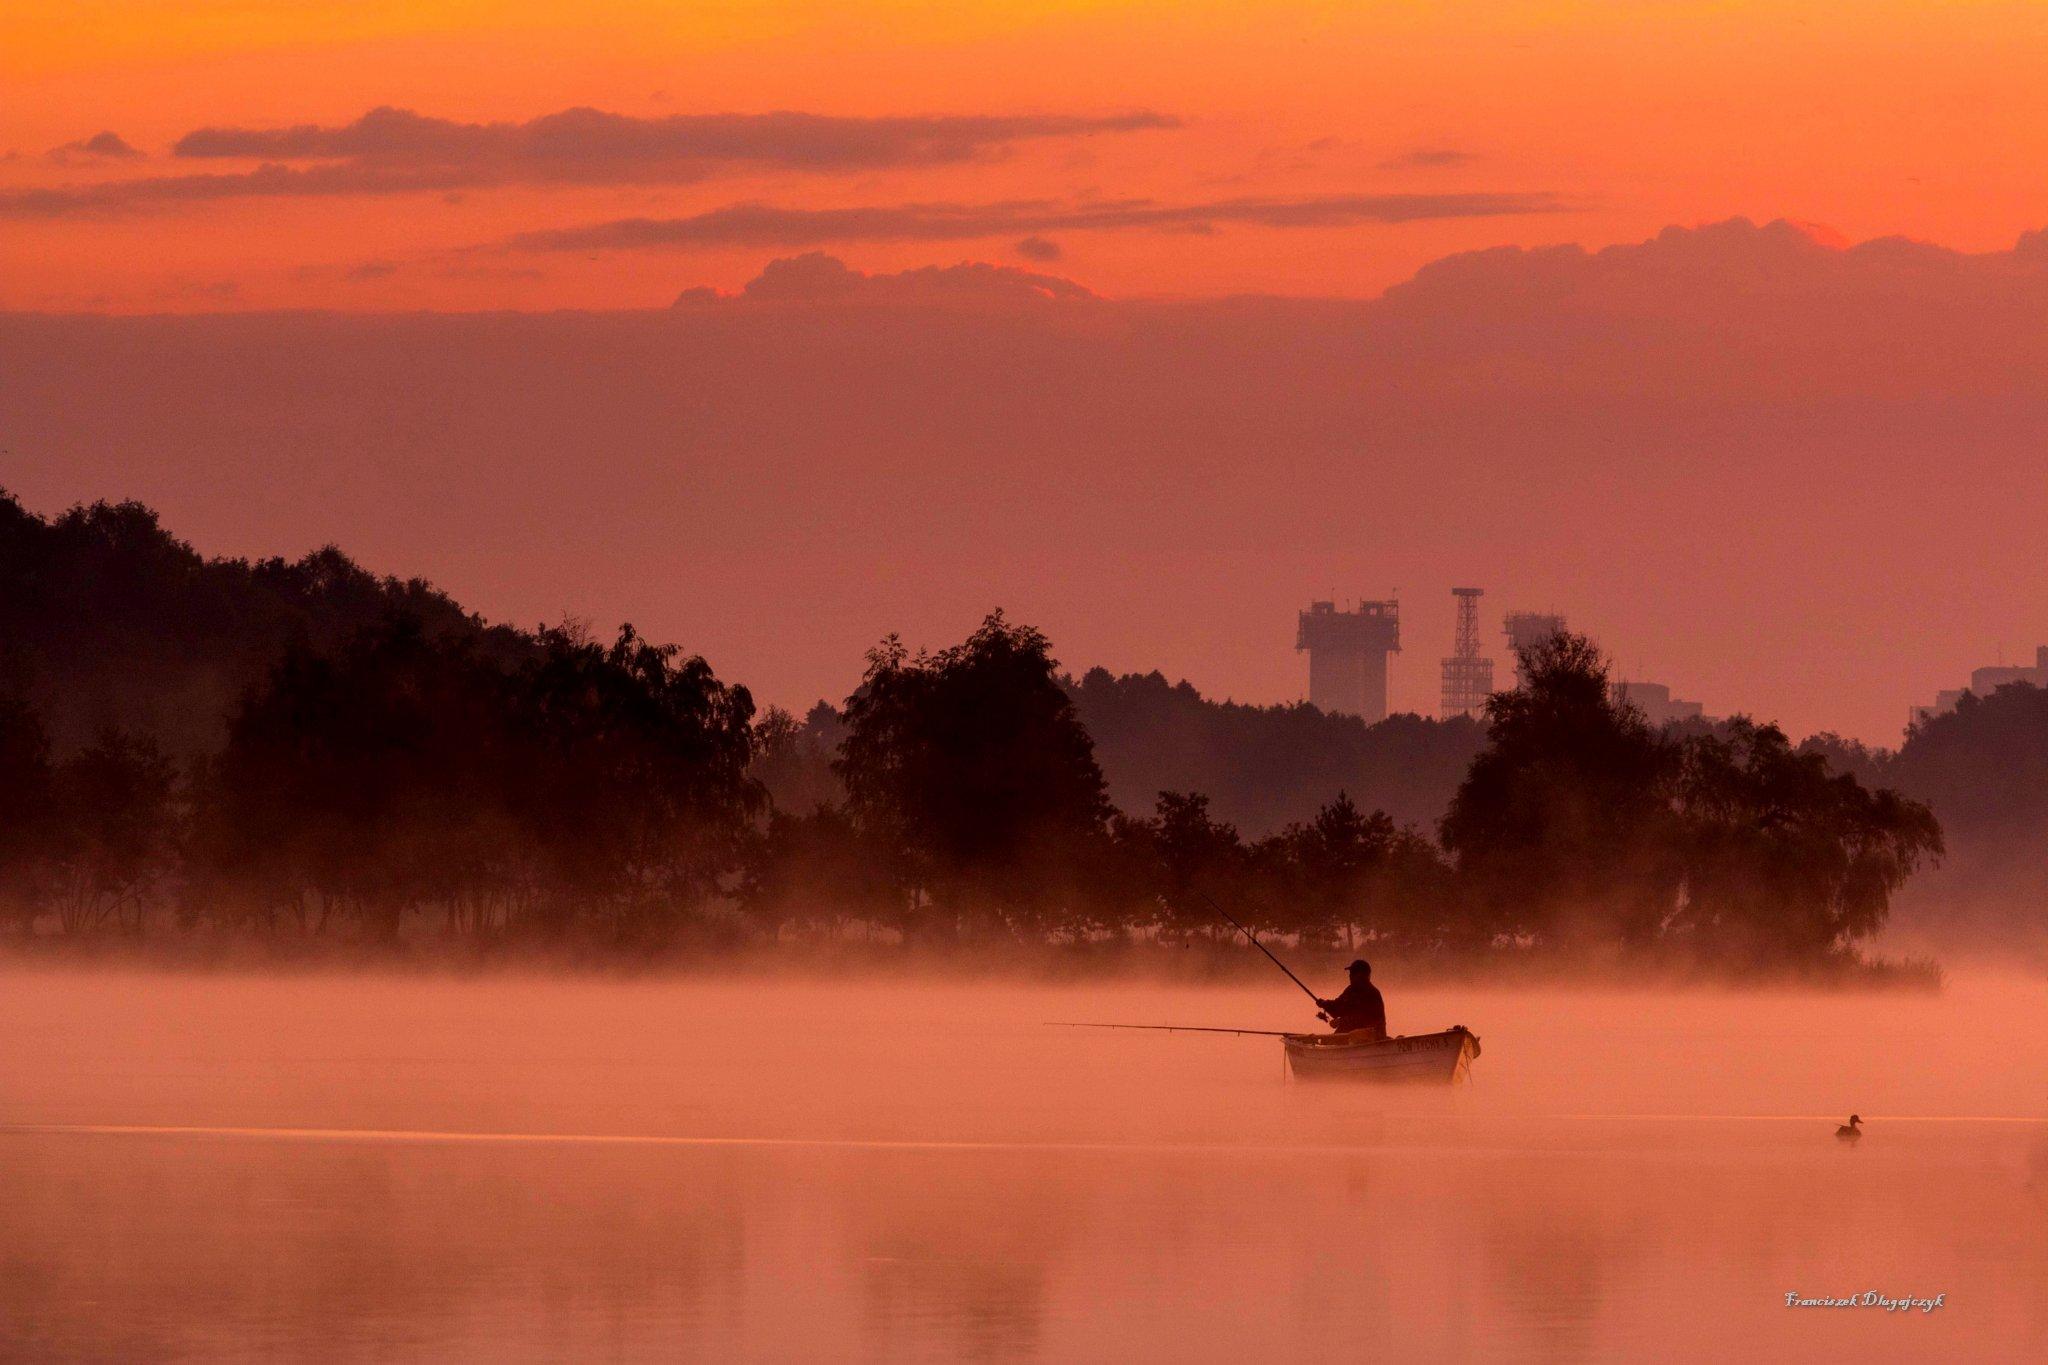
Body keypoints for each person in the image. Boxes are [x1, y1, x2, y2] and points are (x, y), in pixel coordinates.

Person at [1317, 959, 1386, 1038]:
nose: (1350, 976)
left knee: (1340, 1034)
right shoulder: (1350, 991)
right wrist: (1325, 1004)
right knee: (1330, 1039)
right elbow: (1338, 1007)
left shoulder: (1372, 994)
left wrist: (1341, 1022)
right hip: (1352, 1038)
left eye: (1353, 973)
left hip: (1370, 1038)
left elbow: (1365, 1018)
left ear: (1362, 975)